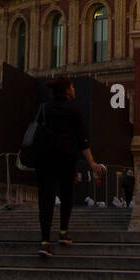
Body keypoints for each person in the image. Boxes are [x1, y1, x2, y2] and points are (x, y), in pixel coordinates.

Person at [35, 77, 103, 258]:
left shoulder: (45, 108)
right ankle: (63, 232)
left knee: (46, 200)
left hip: (45, 159)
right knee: (66, 196)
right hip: (66, 159)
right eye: (72, 87)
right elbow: (82, 140)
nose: (74, 89)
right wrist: (92, 163)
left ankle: (44, 242)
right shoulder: (74, 109)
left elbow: (37, 132)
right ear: (66, 90)